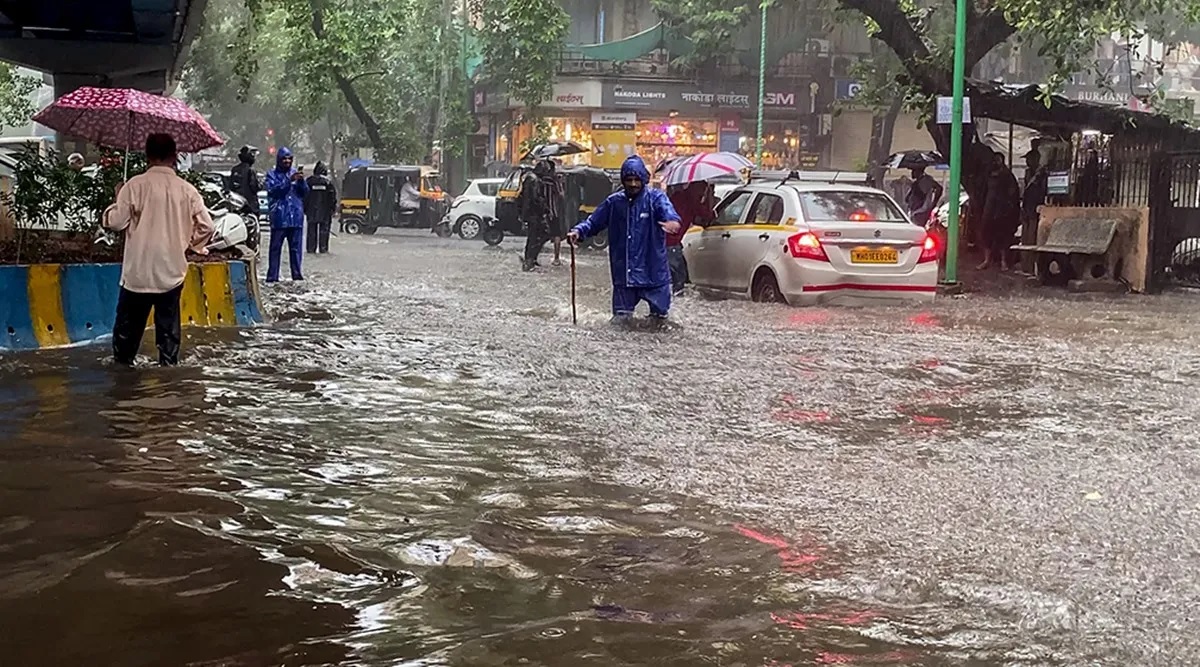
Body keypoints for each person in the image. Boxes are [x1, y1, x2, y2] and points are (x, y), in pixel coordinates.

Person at [103, 133, 214, 366]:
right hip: (171, 273)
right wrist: (190, 244)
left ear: (147, 155)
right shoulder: (187, 190)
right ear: (174, 156)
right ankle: (168, 370)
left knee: (126, 340)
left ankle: (123, 375)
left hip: (137, 274)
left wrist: (117, 199)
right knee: (168, 335)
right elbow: (207, 226)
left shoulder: (134, 186)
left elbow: (116, 223)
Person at [567, 155, 682, 321]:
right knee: (620, 322)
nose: (633, 184)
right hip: (624, 277)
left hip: (654, 275)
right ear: (623, 180)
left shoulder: (656, 199)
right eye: (629, 180)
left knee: (660, 322)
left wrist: (672, 221)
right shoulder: (613, 203)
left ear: (643, 179)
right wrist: (578, 232)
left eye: (637, 179)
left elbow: (668, 211)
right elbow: (593, 222)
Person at [265, 147, 308, 282]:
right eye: (284, 159)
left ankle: (297, 275)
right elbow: (273, 191)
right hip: (279, 218)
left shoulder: (295, 173)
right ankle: (272, 277)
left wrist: (301, 181)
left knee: (296, 250)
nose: (287, 161)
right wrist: (289, 181)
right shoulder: (271, 175)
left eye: (289, 159)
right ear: (279, 160)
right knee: (275, 249)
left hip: (295, 218)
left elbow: (305, 193)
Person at [666, 181, 716, 295]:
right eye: (701, 191)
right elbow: (707, 214)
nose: (701, 194)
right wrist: (709, 196)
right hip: (671, 243)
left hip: (667, 242)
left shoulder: (677, 197)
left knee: (677, 276)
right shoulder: (691, 201)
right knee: (680, 279)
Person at [977, 151, 1022, 271]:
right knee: (986, 234)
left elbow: (1013, 194)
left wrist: (1009, 209)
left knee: (1003, 237)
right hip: (988, 209)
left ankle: (1003, 261)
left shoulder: (1007, 176)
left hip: (1002, 211)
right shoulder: (988, 175)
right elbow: (982, 192)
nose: (995, 162)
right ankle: (987, 260)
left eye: (997, 160)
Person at [521, 159, 563, 271]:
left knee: (535, 236)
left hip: (532, 213)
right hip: (535, 214)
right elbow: (536, 199)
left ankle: (531, 259)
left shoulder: (531, 178)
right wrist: (545, 209)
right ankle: (529, 260)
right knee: (539, 235)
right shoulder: (535, 180)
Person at [305, 161, 337, 254]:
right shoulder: (328, 182)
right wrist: (333, 209)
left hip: (311, 211)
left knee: (311, 231)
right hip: (325, 211)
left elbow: (304, 196)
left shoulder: (309, 181)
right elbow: (332, 197)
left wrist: (305, 209)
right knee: (324, 231)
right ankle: (323, 248)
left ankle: (311, 249)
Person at [229, 145, 261, 215]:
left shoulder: (235, 169)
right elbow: (254, 187)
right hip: (250, 204)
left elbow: (231, 186)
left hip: (237, 203)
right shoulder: (250, 170)